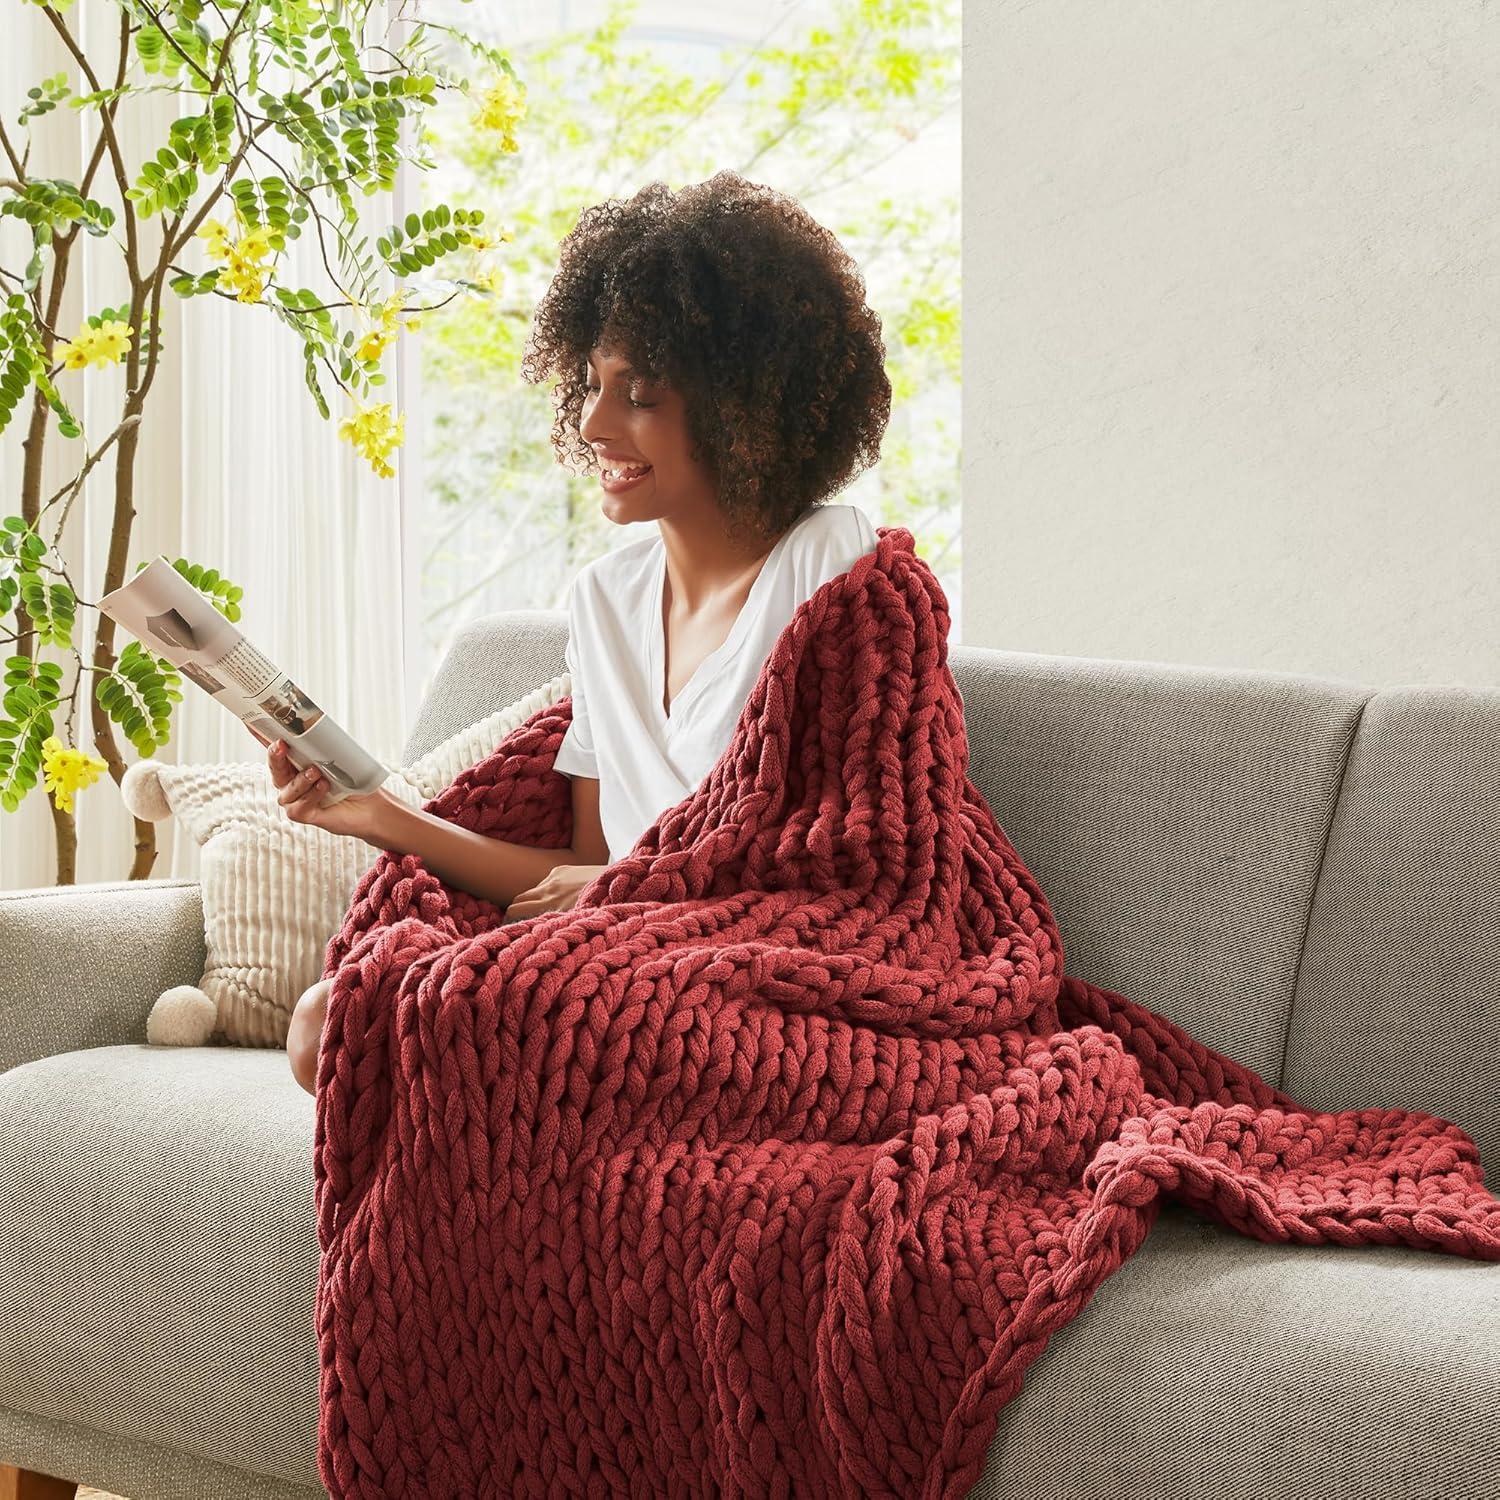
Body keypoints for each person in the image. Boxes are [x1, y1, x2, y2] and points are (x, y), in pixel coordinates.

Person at [281, 171, 892, 1094]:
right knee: (331, 1018)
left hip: (745, 975)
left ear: (743, 409)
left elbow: (848, 876)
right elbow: (584, 867)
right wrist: (375, 815)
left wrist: (623, 902)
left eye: (639, 393)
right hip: (617, 946)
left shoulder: (831, 566)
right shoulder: (604, 601)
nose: (596, 423)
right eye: (595, 385)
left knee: (477, 1015)